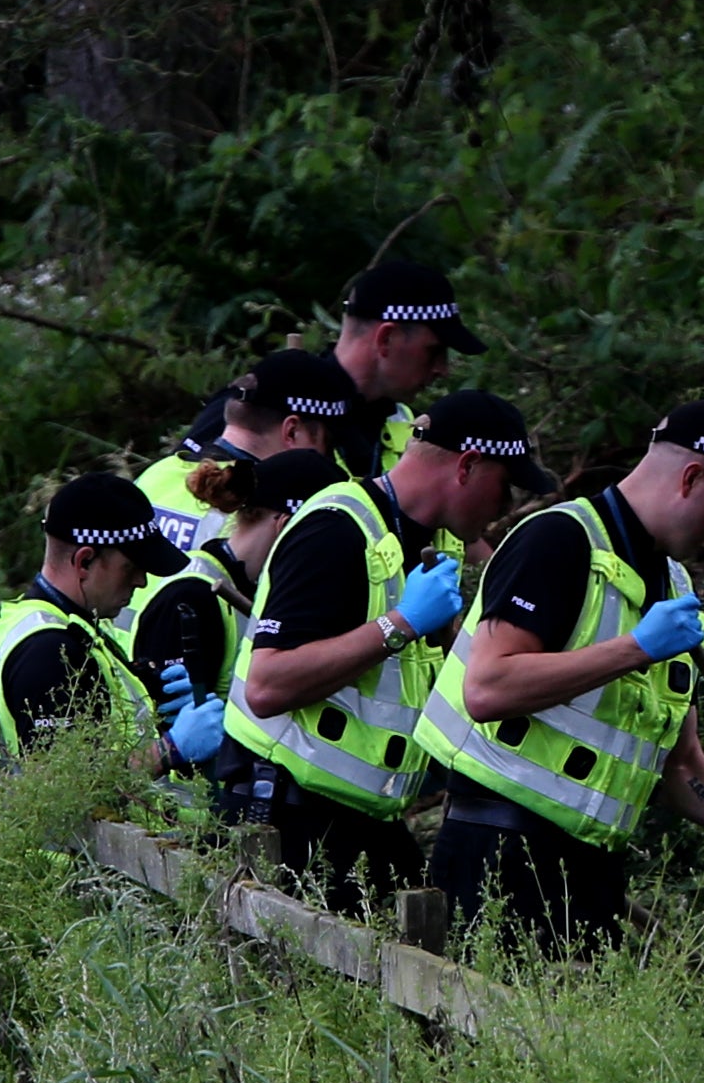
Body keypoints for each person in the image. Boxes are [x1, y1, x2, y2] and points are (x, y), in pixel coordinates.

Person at [417, 398, 704, 948]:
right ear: (691, 477)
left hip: (592, 872)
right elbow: (487, 688)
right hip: (497, 857)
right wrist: (637, 648)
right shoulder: (558, 540)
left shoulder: (675, 588)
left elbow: (682, 766)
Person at [225, 389, 550, 908]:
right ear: (467, 466)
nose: (504, 507)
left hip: (362, 818)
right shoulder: (335, 528)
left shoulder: (432, 541)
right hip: (283, 814)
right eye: (504, 487)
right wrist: (399, 624)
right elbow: (267, 685)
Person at [119, 446, 347, 798]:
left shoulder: (256, 590)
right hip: (186, 826)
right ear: (288, 527)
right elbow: (167, 739)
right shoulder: (193, 597)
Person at [0, 473, 230, 769]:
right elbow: (67, 788)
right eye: (130, 568)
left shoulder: (72, 624)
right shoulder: (49, 653)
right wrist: (169, 750)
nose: (141, 581)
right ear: (84, 561)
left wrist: (149, 696)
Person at [135, 350, 358, 555]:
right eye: (329, 446)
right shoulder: (265, 512)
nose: (331, 461)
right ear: (291, 432)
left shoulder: (155, 476)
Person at [333, 261, 482, 477]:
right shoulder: (285, 422)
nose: (443, 370)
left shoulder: (414, 427)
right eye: (433, 351)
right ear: (386, 339)